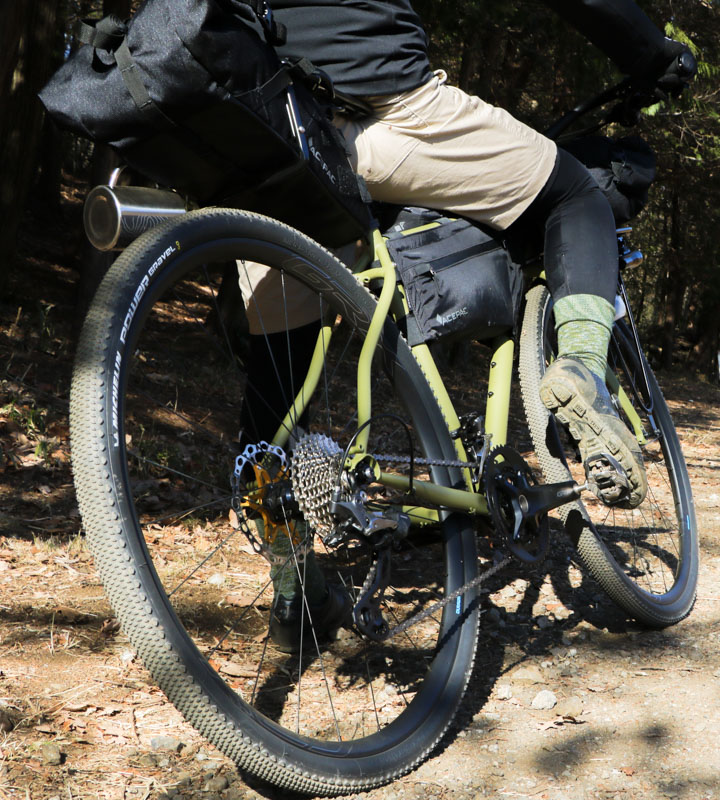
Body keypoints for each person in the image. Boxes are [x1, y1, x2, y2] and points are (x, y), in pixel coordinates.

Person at [237, 0, 695, 650]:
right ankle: (582, 371)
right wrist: (652, 51)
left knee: (274, 392)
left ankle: (294, 591)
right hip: (383, 107)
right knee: (575, 195)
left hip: (266, 139)